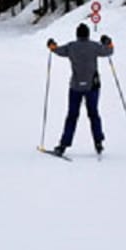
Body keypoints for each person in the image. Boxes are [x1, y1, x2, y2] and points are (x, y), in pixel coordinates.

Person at [47, 23, 114, 155]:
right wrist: (108, 42)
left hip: (75, 87)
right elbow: (109, 51)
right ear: (88, 34)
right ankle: (98, 143)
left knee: (72, 116)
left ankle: (63, 145)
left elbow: (56, 50)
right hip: (92, 87)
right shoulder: (95, 46)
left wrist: (51, 44)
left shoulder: (71, 47)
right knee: (93, 114)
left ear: (77, 35)